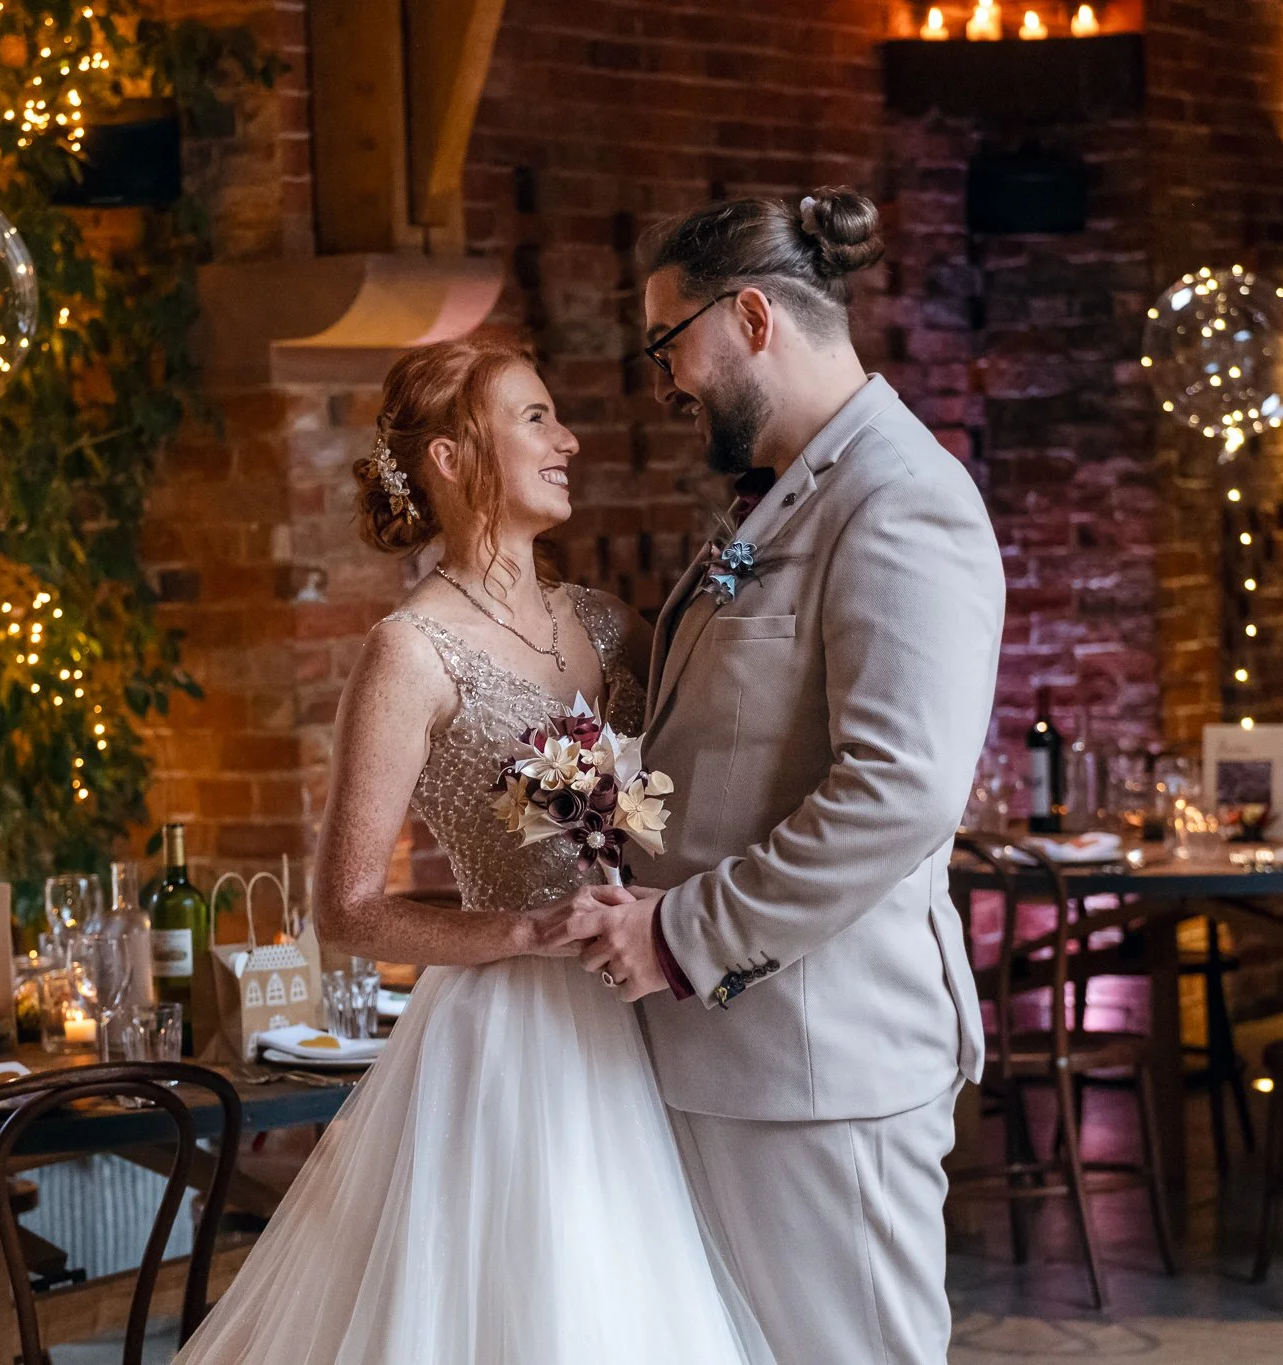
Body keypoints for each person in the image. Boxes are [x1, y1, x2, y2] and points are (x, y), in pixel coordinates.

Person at [172, 338, 772, 1364]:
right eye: (534, 418)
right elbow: (347, 908)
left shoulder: (607, 624)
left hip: (653, 1013)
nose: (567, 439)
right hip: (515, 1042)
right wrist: (524, 929)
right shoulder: (409, 652)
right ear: (451, 458)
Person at [570, 187, 1005, 1364]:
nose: (661, 380)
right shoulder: (783, 495)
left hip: (822, 1065)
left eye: (669, 344)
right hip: (729, 1059)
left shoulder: (901, 498)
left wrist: (678, 933)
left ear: (751, 317)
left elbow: (895, 794)